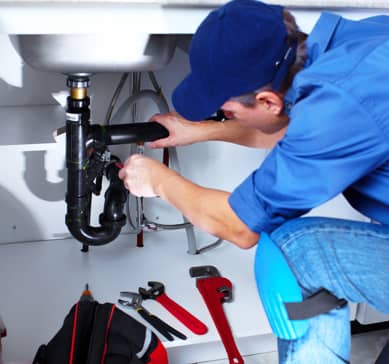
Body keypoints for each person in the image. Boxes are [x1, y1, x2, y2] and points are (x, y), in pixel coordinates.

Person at [118, 0, 389, 362]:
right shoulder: (359, 44)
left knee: (294, 252)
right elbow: (295, 126)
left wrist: (159, 181)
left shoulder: (338, 106)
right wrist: (197, 132)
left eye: (227, 111)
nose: (225, 116)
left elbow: (240, 228)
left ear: (266, 100)